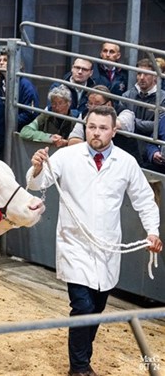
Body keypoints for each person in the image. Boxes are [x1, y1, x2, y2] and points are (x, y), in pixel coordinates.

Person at [27, 105, 162, 376]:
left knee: (97, 306)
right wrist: (37, 167)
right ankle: (79, 368)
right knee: (83, 306)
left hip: (107, 247)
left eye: (102, 128)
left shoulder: (126, 162)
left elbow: (144, 200)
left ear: (113, 130)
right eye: (91, 127)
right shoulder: (66, 155)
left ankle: (82, 356)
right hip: (73, 243)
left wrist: (153, 232)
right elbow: (37, 185)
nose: (96, 133)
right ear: (85, 127)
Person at [67, 85, 140, 163]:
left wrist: (93, 121)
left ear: (108, 104)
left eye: (97, 104)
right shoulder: (85, 114)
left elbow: (120, 123)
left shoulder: (126, 113)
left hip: (123, 163)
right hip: (93, 161)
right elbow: (73, 140)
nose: (92, 108)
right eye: (90, 104)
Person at [0, 49, 39, 130]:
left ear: (18, 65)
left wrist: (8, 122)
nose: (1, 63)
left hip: (20, 130)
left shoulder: (26, 86)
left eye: (5, 60)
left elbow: (30, 113)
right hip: (2, 128)